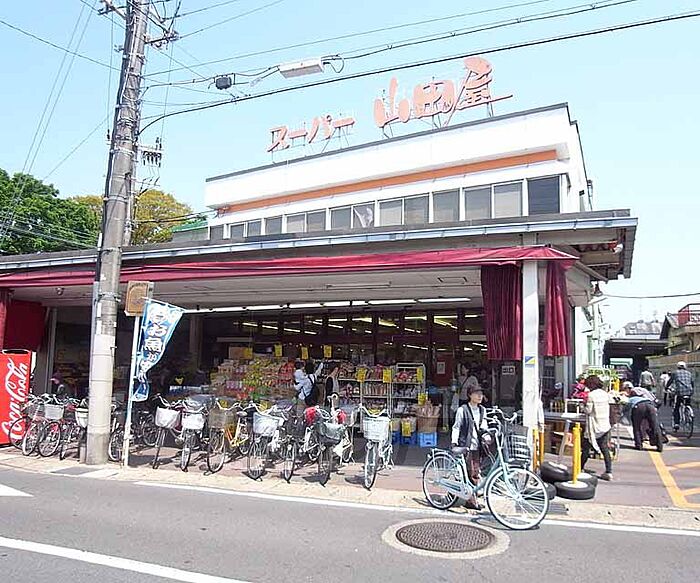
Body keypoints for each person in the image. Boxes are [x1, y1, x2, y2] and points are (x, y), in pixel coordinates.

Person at [451, 385, 490, 510]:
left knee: (475, 472)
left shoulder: (483, 410)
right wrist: (454, 442)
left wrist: (487, 437)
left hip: (477, 446)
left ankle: (471, 499)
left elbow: (484, 426)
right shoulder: (462, 410)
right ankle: (471, 502)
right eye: (476, 393)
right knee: (470, 473)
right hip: (465, 446)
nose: (480, 396)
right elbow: (456, 427)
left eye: (481, 394)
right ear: (469, 395)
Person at [580, 375, 613, 481]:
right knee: (604, 449)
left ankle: (580, 468)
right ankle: (609, 471)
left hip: (594, 427)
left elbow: (588, 411)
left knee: (585, 448)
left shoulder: (591, 395)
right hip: (605, 425)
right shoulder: (605, 394)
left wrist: (582, 406)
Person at [622, 381, 662, 452]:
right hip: (650, 405)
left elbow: (625, 409)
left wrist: (621, 415)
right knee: (655, 426)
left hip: (638, 407)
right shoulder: (642, 393)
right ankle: (659, 445)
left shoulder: (631, 398)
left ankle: (639, 445)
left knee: (636, 427)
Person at [667, 361, 695, 432]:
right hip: (689, 392)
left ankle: (676, 423)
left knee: (676, 407)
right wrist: (692, 389)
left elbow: (670, 381)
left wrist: (666, 387)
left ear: (678, 367)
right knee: (688, 403)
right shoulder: (689, 373)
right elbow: (692, 382)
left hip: (680, 392)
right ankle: (689, 412)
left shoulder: (675, 373)